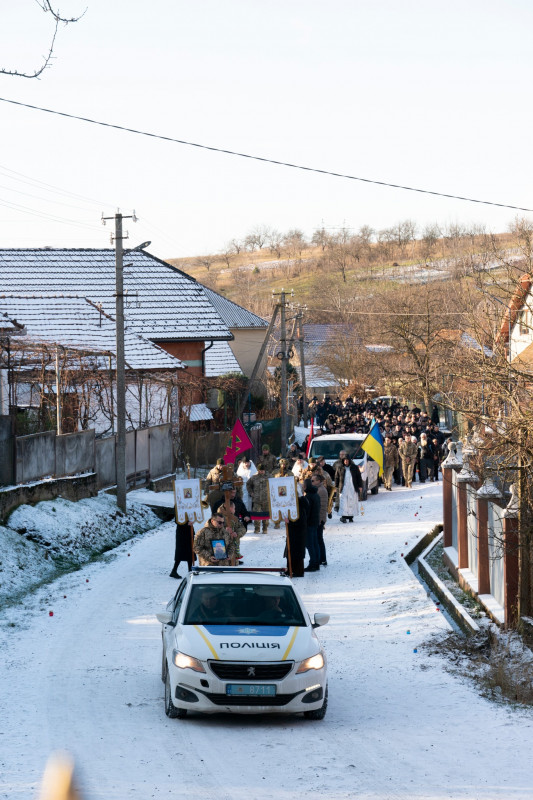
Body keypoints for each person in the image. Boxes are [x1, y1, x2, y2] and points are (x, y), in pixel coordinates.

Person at [335, 456, 363, 522]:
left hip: (352, 487)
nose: (346, 461)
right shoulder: (340, 468)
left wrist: (360, 486)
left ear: (349, 460)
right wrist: (336, 487)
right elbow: (336, 477)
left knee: (351, 502)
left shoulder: (354, 468)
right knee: (343, 502)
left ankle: (350, 516)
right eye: (344, 460)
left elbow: (359, 477)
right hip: (343, 488)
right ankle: (344, 516)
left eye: (347, 460)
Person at [246, 463, 270, 534]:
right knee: (256, 514)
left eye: (262, 471)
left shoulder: (269, 476)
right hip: (257, 499)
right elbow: (248, 484)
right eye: (260, 470)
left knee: (266, 514)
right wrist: (251, 492)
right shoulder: (254, 477)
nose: (261, 472)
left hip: (266, 499)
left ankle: (265, 528)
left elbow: (274, 484)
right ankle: (257, 528)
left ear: (264, 470)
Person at [303, 477, 321, 571]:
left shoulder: (308, 497)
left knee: (310, 544)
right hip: (315, 522)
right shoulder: (316, 495)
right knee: (315, 543)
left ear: (306, 486)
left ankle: (313, 563)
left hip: (309, 523)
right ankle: (316, 562)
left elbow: (307, 512)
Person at [311, 472, 328, 566]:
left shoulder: (321, 490)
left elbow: (321, 507)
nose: (311, 482)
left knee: (319, 539)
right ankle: (321, 558)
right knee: (318, 539)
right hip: (318, 518)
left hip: (319, 519)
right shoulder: (317, 489)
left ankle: (322, 558)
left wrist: (320, 520)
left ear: (318, 481)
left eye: (313, 480)